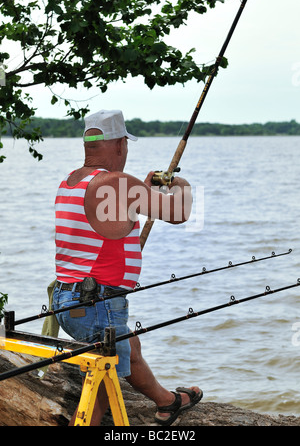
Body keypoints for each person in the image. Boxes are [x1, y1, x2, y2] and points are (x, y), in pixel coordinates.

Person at [52, 109, 202, 426]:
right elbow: (180, 211)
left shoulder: (70, 182)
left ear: (88, 144)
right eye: (125, 145)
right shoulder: (117, 184)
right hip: (96, 303)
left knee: (129, 346)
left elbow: (110, 212)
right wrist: (176, 182)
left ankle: (168, 402)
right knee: (105, 380)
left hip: (66, 301)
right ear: (120, 144)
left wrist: (143, 190)